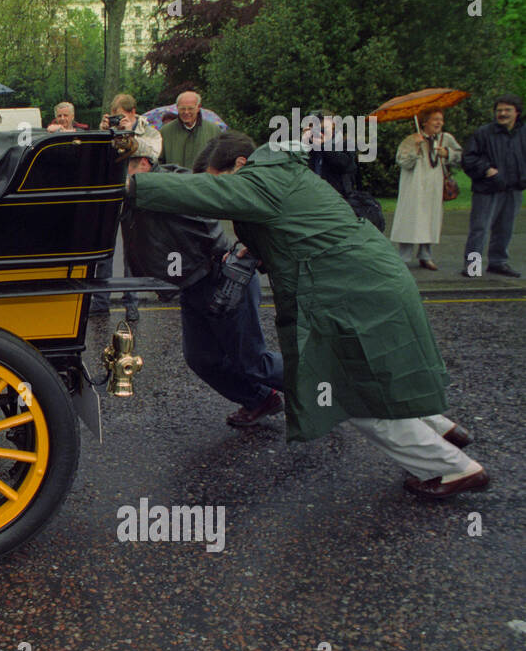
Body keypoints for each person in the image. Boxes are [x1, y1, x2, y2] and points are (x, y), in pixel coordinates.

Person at [127, 131, 487, 499]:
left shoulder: (261, 179)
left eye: (219, 179)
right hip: (370, 281)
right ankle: (440, 428)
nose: (220, 189)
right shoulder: (284, 173)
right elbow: (296, 231)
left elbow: (199, 195)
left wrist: (131, 185)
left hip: (350, 290)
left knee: (352, 394)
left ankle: (452, 468)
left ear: (239, 165)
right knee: (373, 378)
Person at [121, 145, 284, 426]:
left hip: (221, 279)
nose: (120, 176)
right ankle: (260, 399)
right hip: (193, 284)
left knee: (254, 362)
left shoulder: (174, 181)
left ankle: (327, 388)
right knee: (202, 359)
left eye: (125, 167)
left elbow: (203, 209)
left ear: (144, 164)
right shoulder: (141, 192)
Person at [90, 93, 162, 319]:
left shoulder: (149, 131)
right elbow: (97, 155)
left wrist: (129, 135)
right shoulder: (109, 130)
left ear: (132, 113)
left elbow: (153, 154)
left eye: (120, 116)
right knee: (104, 251)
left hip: (135, 193)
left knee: (131, 251)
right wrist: (104, 133)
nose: (117, 121)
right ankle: (101, 301)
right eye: (114, 117)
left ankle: (132, 304)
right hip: (111, 193)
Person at [461, 93, 525, 277]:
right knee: (479, 228)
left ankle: (498, 262)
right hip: (487, 189)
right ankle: (472, 266)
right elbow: (469, 158)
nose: (502, 113)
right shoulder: (483, 133)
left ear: (517, 113)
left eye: (507, 110)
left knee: (505, 228)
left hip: (513, 188)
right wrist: (487, 169)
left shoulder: (523, 133)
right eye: (499, 110)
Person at [391, 107, 462, 271]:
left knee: (431, 218)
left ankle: (425, 255)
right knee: (411, 218)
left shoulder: (446, 138)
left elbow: (461, 155)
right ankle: (404, 256)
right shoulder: (411, 139)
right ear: (425, 122)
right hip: (414, 185)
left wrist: (447, 153)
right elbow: (402, 162)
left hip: (434, 185)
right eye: (435, 119)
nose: (439, 123)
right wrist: (415, 149)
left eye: (441, 119)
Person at [159, 90, 221, 168]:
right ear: (177, 108)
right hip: (174, 179)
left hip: (203, 179)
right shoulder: (165, 132)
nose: (186, 112)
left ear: (198, 107)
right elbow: (159, 162)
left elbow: (219, 161)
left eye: (190, 108)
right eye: (182, 109)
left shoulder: (214, 131)